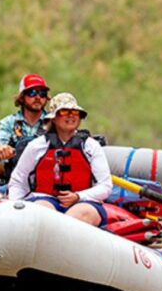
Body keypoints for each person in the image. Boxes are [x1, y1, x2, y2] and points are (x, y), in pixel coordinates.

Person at [8, 92, 112, 227]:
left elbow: (105, 186)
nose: (70, 116)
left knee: (79, 215)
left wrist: (78, 196)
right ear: (53, 118)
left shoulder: (91, 146)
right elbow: (18, 182)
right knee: (42, 210)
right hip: (45, 199)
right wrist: (14, 207)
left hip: (83, 201)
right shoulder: (36, 146)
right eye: (64, 112)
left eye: (74, 112)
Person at [0, 74, 50, 162]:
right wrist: (0, 149)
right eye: (32, 92)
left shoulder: (55, 122)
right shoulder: (9, 123)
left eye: (42, 93)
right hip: (16, 174)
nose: (38, 97)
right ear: (22, 97)